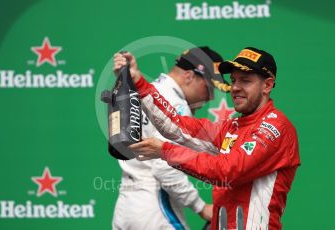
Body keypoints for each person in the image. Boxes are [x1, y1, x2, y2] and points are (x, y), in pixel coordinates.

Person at [114, 47, 301, 230]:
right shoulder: (231, 126)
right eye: (233, 80)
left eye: (245, 81)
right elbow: (176, 124)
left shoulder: (276, 127)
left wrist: (165, 151)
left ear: (267, 85)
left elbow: (227, 171)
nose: (235, 88)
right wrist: (138, 80)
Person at [112, 47, 230, 230]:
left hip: (125, 206)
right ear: (190, 76)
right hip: (155, 208)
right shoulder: (175, 104)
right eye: (209, 87)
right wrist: (200, 207)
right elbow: (164, 169)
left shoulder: (147, 91)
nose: (210, 96)